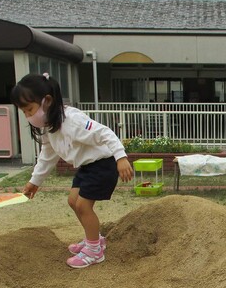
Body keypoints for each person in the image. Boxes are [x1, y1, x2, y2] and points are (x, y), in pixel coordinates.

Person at [10, 73, 134, 268]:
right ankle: (94, 239)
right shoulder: (50, 127)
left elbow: (105, 133)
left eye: (30, 110)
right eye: (24, 112)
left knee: (84, 206)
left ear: (47, 101)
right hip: (87, 166)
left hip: (103, 163)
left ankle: (94, 252)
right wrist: (35, 182)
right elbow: (47, 156)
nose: (28, 116)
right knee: (73, 201)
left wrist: (121, 158)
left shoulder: (72, 121)